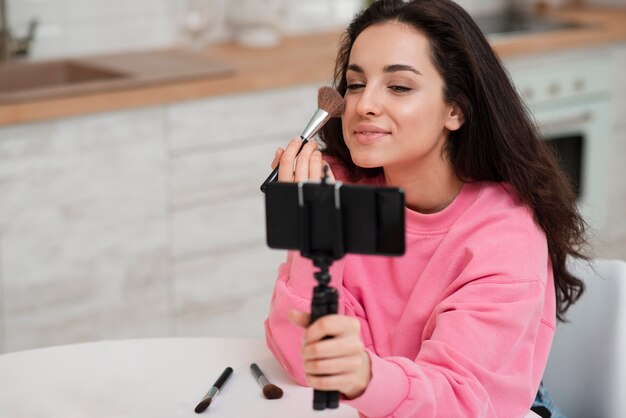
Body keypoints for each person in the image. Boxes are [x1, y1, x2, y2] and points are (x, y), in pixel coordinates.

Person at [264, 0, 587, 416]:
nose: (364, 105)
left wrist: (365, 376)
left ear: (455, 109)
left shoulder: (503, 234)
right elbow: (303, 358)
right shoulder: (339, 190)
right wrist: (311, 228)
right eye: (356, 84)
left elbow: (457, 399)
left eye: (398, 87)